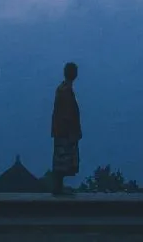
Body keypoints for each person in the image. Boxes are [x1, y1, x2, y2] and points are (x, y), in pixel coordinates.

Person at [51, 61, 82, 196]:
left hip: (61, 130)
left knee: (62, 159)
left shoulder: (62, 89)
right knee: (63, 160)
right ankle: (58, 187)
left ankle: (59, 187)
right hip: (65, 131)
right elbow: (67, 114)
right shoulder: (65, 91)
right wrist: (72, 131)